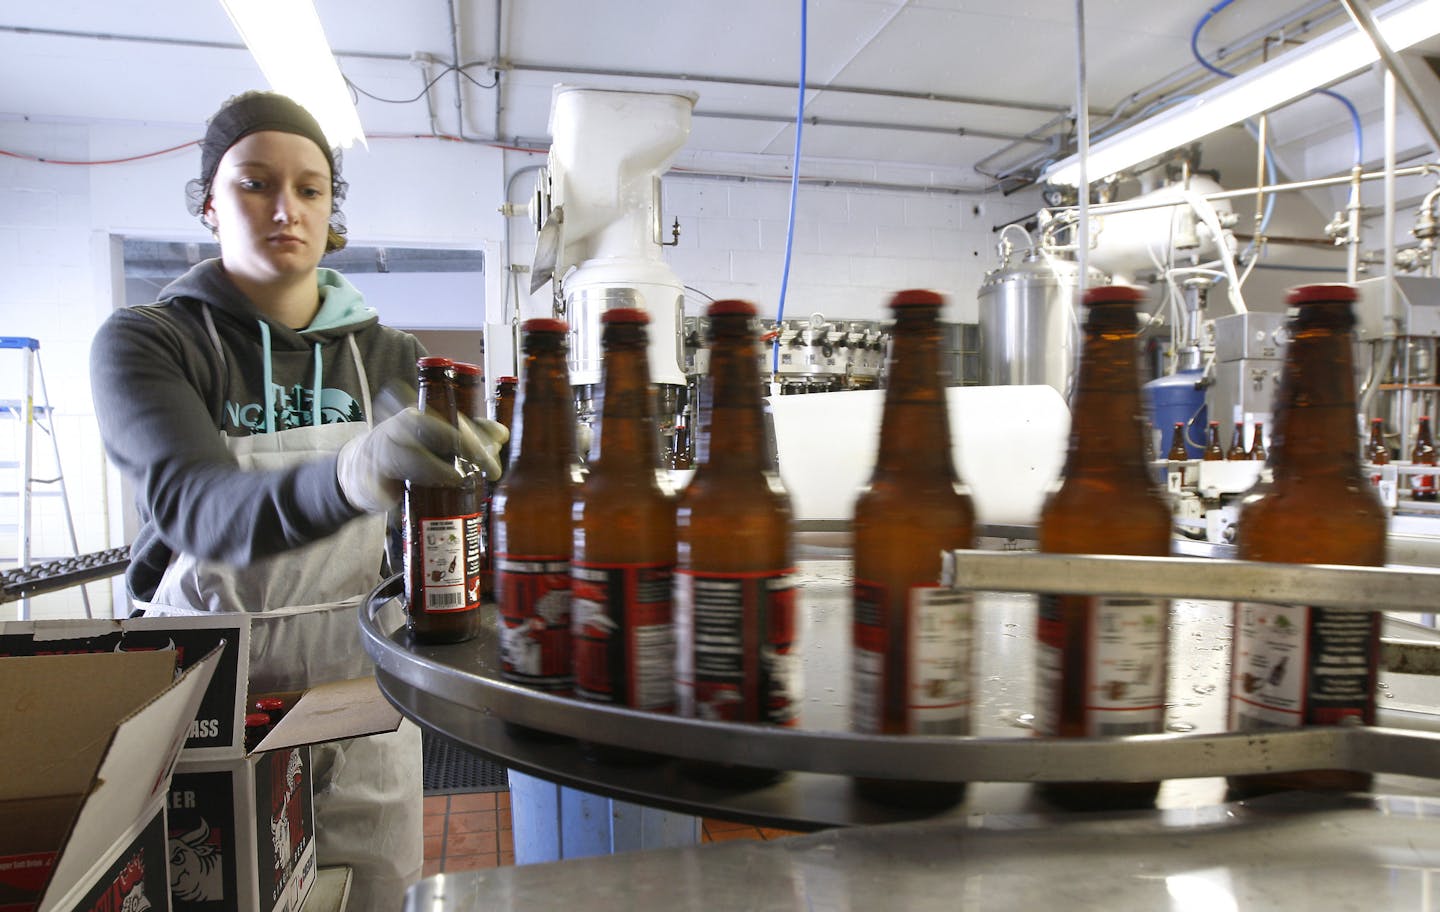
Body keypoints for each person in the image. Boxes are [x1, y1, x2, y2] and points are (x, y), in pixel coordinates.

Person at [89, 90, 507, 910]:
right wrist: (356, 472)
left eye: (311, 188)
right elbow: (198, 507)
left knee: (374, 893)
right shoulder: (149, 342)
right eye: (255, 183)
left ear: (331, 209)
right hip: (204, 706)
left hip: (359, 688)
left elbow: (428, 537)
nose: (286, 208)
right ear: (210, 201)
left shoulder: (392, 356)